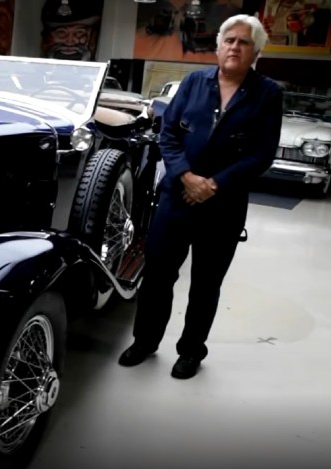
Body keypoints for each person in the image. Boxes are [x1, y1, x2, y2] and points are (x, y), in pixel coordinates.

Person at [117, 14, 283, 379]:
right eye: (229, 40)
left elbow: (261, 154)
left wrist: (214, 185)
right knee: (158, 276)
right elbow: (169, 135)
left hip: (223, 206)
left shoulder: (268, 93)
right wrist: (188, 177)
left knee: (207, 284)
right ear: (218, 46)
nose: (234, 47)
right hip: (176, 199)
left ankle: (191, 351)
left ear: (255, 50)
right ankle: (145, 341)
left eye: (243, 42)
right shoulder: (194, 82)